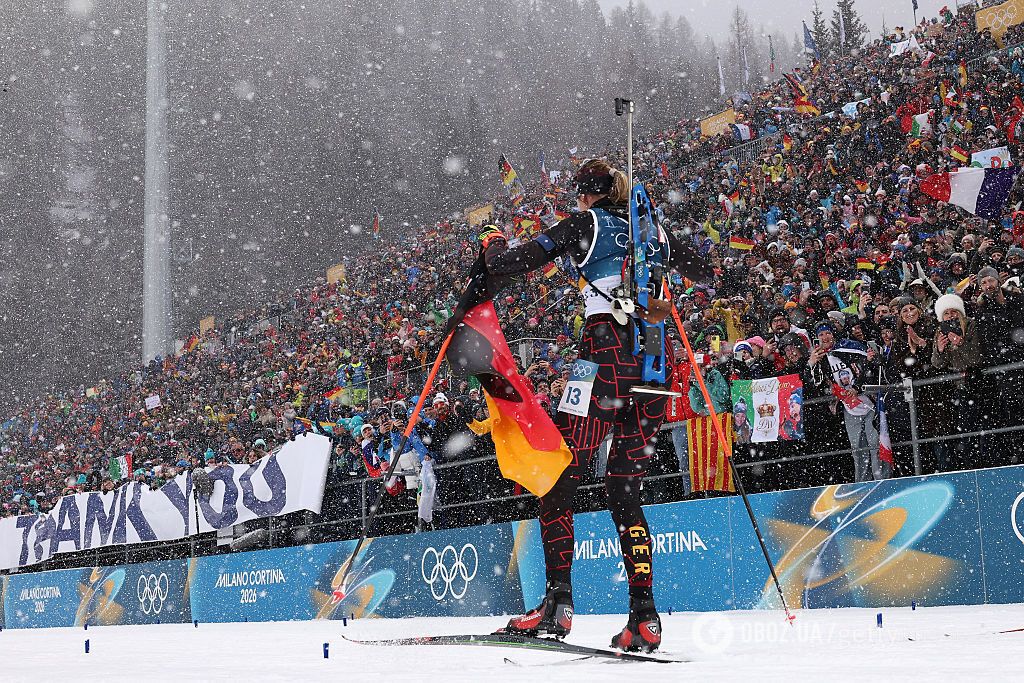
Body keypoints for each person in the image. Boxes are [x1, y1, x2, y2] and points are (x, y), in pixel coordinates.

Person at [479, 158, 711, 652]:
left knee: (558, 475)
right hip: (655, 363)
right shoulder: (651, 229)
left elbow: (508, 264)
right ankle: (644, 616)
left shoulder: (587, 222)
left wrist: (492, 242)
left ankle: (557, 605)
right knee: (625, 493)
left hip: (603, 357)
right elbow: (705, 271)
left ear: (586, 193)